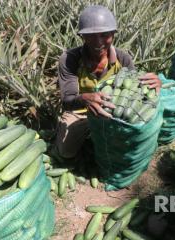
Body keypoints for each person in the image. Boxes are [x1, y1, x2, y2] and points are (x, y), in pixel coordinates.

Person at [55, 5, 162, 159]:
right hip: (81, 113)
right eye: (91, 35)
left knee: (126, 149)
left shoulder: (123, 59)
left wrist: (154, 84)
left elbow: (135, 93)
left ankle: (97, 143)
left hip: (114, 115)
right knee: (66, 152)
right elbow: (68, 100)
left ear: (113, 34)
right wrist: (85, 99)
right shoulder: (70, 59)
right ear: (82, 36)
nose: (98, 42)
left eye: (104, 35)